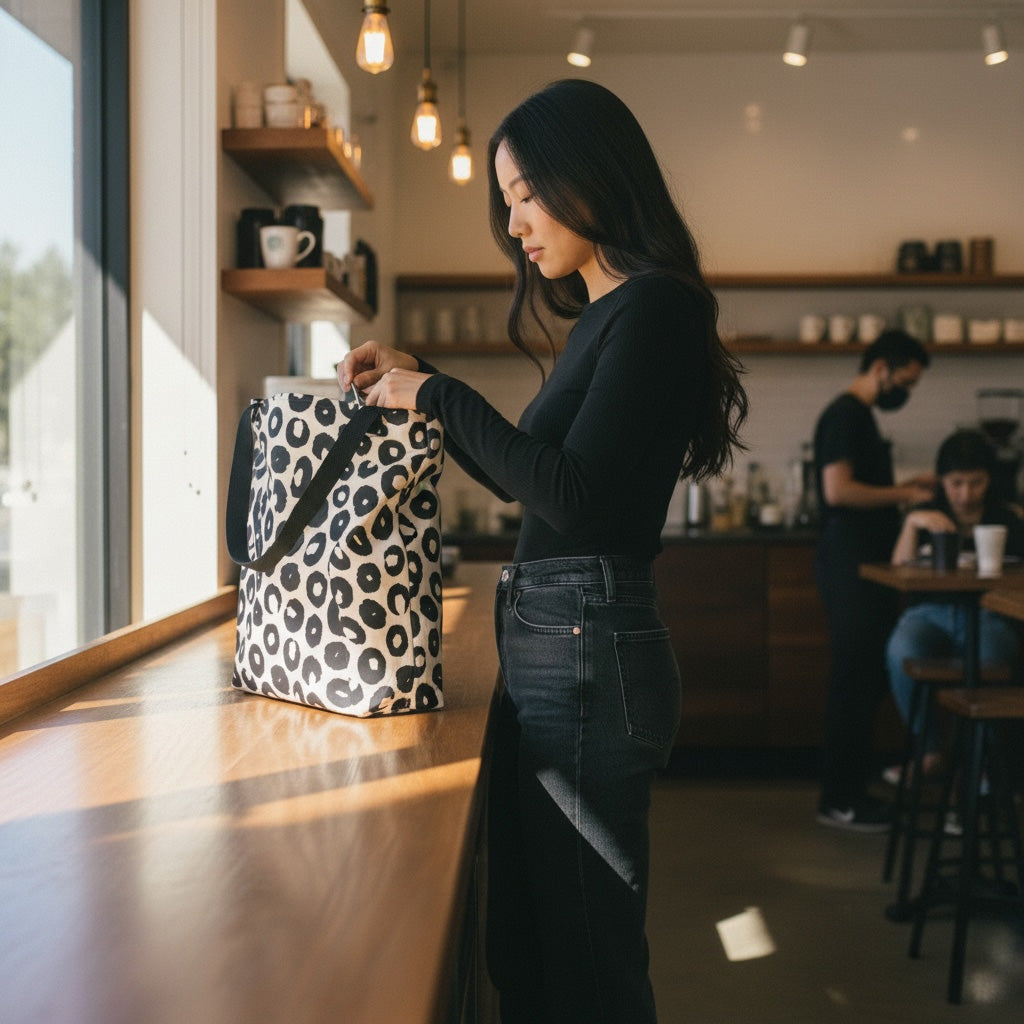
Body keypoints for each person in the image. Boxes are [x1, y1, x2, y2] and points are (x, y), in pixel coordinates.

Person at [340, 79, 748, 1024]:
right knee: (530, 946)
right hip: (563, 640)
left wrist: (434, 399)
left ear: (591, 170)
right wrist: (422, 379)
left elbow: (578, 497)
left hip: (587, 648)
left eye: (526, 192)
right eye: (507, 200)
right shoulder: (605, 316)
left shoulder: (654, 308)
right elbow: (533, 481)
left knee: (585, 961)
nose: (513, 222)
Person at [813, 330, 935, 831]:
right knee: (854, 679)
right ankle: (840, 800)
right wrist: (904, 493)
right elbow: (838, 491)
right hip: (850, 565)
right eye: (904, 381)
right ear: (882, 367)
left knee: (864, 680)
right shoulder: (845, 415)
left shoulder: (858, 418)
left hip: (864, 565)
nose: (904, 392)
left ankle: (850, 794)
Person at [884, 429, 1024, 780]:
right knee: (901, 648)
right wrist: (913, 524)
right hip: (931, 612)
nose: (965, 494)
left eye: (976, 482)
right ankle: (930, 750)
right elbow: (898, 569)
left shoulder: (1007, 518)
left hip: (989, 613)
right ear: (942, 480)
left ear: (990, 479)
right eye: (956, 482)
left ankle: (976, 764)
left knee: (994, 655)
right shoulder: (928, 515)